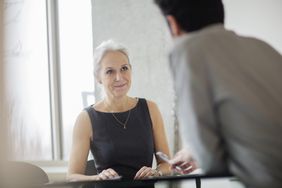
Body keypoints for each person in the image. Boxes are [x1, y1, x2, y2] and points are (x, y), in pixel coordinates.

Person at [154, 0, 282, 187]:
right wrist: (193, 152)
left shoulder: (188, 50)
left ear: (172, 24)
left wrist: (199, 153)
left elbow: (212, 163)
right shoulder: (261, 47)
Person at [67, 40, 171, 181]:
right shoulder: (86, 119)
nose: (119, 77)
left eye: (124, 68)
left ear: (131, 69)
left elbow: (167, 164)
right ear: (98, 77)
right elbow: (72, 177)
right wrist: (98, 177)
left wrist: (156, 172)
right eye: (110, 71)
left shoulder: (150, 109)